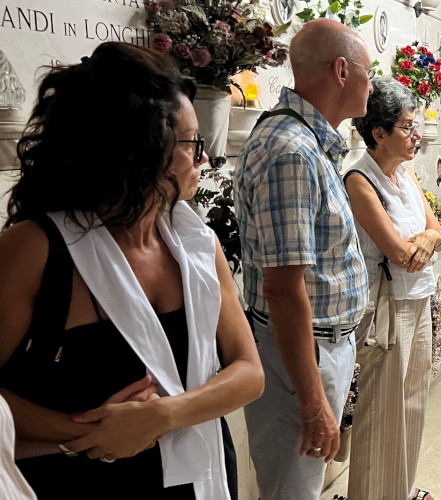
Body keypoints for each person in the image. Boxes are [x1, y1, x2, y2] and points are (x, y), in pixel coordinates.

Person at [0, 41, 264, 498]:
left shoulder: (197, 244)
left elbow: (249, 371)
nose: (203, 159)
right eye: (192, 144)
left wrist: (164, 415)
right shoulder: (35, 248)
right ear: (140, 150)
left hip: (200, 476)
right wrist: (86, 430)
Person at [235, 19, 373, 499]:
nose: (371, 85)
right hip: (302, 353)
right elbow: (282, 289)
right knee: (292, 489)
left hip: (316, 347)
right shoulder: (291, 151)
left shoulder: (307, 142)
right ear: (342, 71)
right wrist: (314, 403)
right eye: (368, 72)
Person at [343, 77, 441, 500]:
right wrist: (423, 243)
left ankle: (402, 489)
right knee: (382, 411)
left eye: (415, 125)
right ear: (379, 133)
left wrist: (429, 238)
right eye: (407, 126)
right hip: (387, 306)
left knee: (412, 403)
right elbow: (398, 251)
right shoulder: (359, 179)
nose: (415, 134)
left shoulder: (405, 174)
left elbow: (439, 232)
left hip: (418, 297)